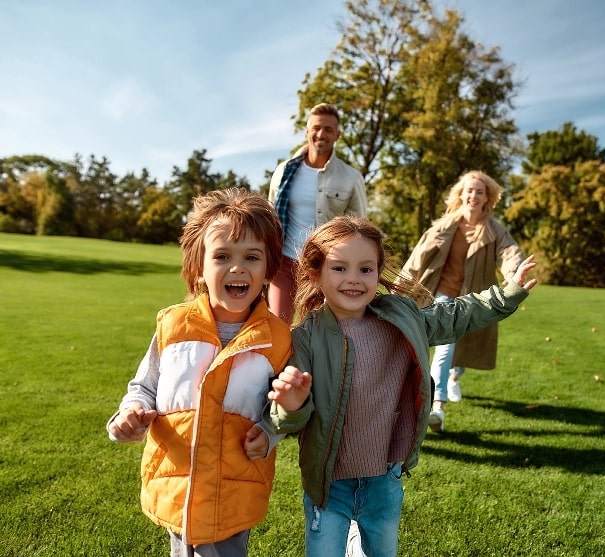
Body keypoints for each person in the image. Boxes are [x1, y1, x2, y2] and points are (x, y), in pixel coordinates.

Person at [263, 215, 537, 557]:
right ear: (315, 273)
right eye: (339, 268)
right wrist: (291, 403)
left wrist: (507, 293)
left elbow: (456, 315)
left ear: (378, 273)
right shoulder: (305, 338)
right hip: (329, 486)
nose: (354, 279)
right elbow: (288, 420)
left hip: (384, 480)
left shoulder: (402, 318)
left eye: (365, 269)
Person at [106, 187, 292, 556]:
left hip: (235, 487)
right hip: (177, 483)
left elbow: (286, 412)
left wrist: (270, 432)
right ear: (199, 267)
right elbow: (144, 386)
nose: (238, 268)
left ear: (268, 269)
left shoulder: (278, 339)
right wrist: (130, 413)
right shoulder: (173, 325)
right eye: (222, 256)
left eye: (251, 257)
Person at [403, 170, 524, 433]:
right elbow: (417, 258)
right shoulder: (443, 226)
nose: (473, 195)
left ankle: (455, 375)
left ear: (487, 197)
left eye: (479, 191)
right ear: (461, 194)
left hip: (472, 298)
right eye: (469, 190)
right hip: (440, 294)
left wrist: (514, 273)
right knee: (445, 346)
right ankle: (438, 406)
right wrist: (400, 285)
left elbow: (510, 252)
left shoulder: (495, 230)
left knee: (462, 348)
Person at [268, 102, 367, 324]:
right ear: (307, 131)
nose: (321, 134)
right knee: (277, 327)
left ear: (337, 135)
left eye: (328, 129)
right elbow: (270, 217)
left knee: (315, 333)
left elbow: (359, 228)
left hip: (324, 266)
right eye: (316, 128)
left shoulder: (351, 178)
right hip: (284, 262)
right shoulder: (284, 171)